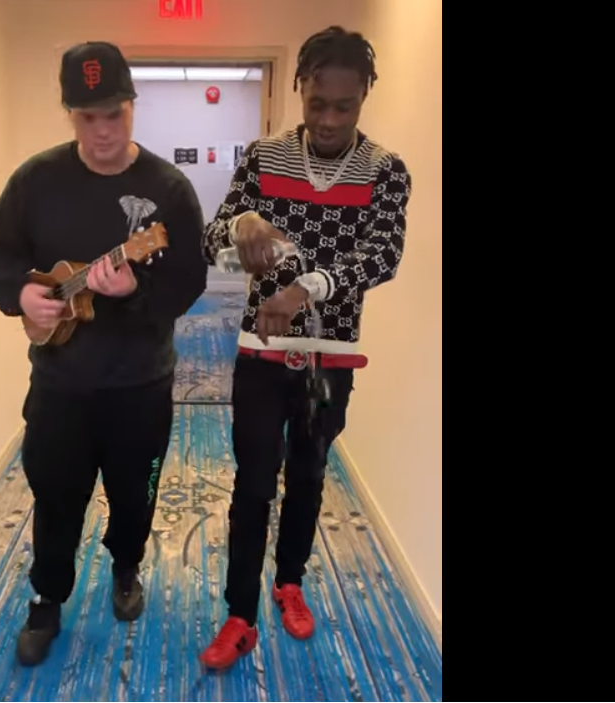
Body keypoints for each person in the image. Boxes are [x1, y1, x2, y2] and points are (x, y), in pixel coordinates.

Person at [0, 41, 208, 667]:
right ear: (69, 114)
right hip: (61, 383)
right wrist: (20, 293)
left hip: (141, 383)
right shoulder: (36, 179)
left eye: (115, 113)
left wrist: (136, 293)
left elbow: (189, 279)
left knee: (135, 493)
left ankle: (126, 565)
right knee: (55, 495)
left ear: (133, 105)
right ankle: (47, 597)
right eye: (87, 116)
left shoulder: (168, 189)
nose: (103, 130)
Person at [197, 26, 412, 670]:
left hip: (330, 356)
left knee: (310, 474)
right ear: (299, 88)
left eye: (345, 106)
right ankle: (240, 613)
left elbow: (382, 256)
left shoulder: (385, 170)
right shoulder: (264, 158)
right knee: (253, 481)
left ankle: (289, 581)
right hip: (259, 352)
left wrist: (304, 288)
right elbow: (213, 244)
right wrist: (242, 226)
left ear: (366, 95)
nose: (328, 119)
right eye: (317, 103)